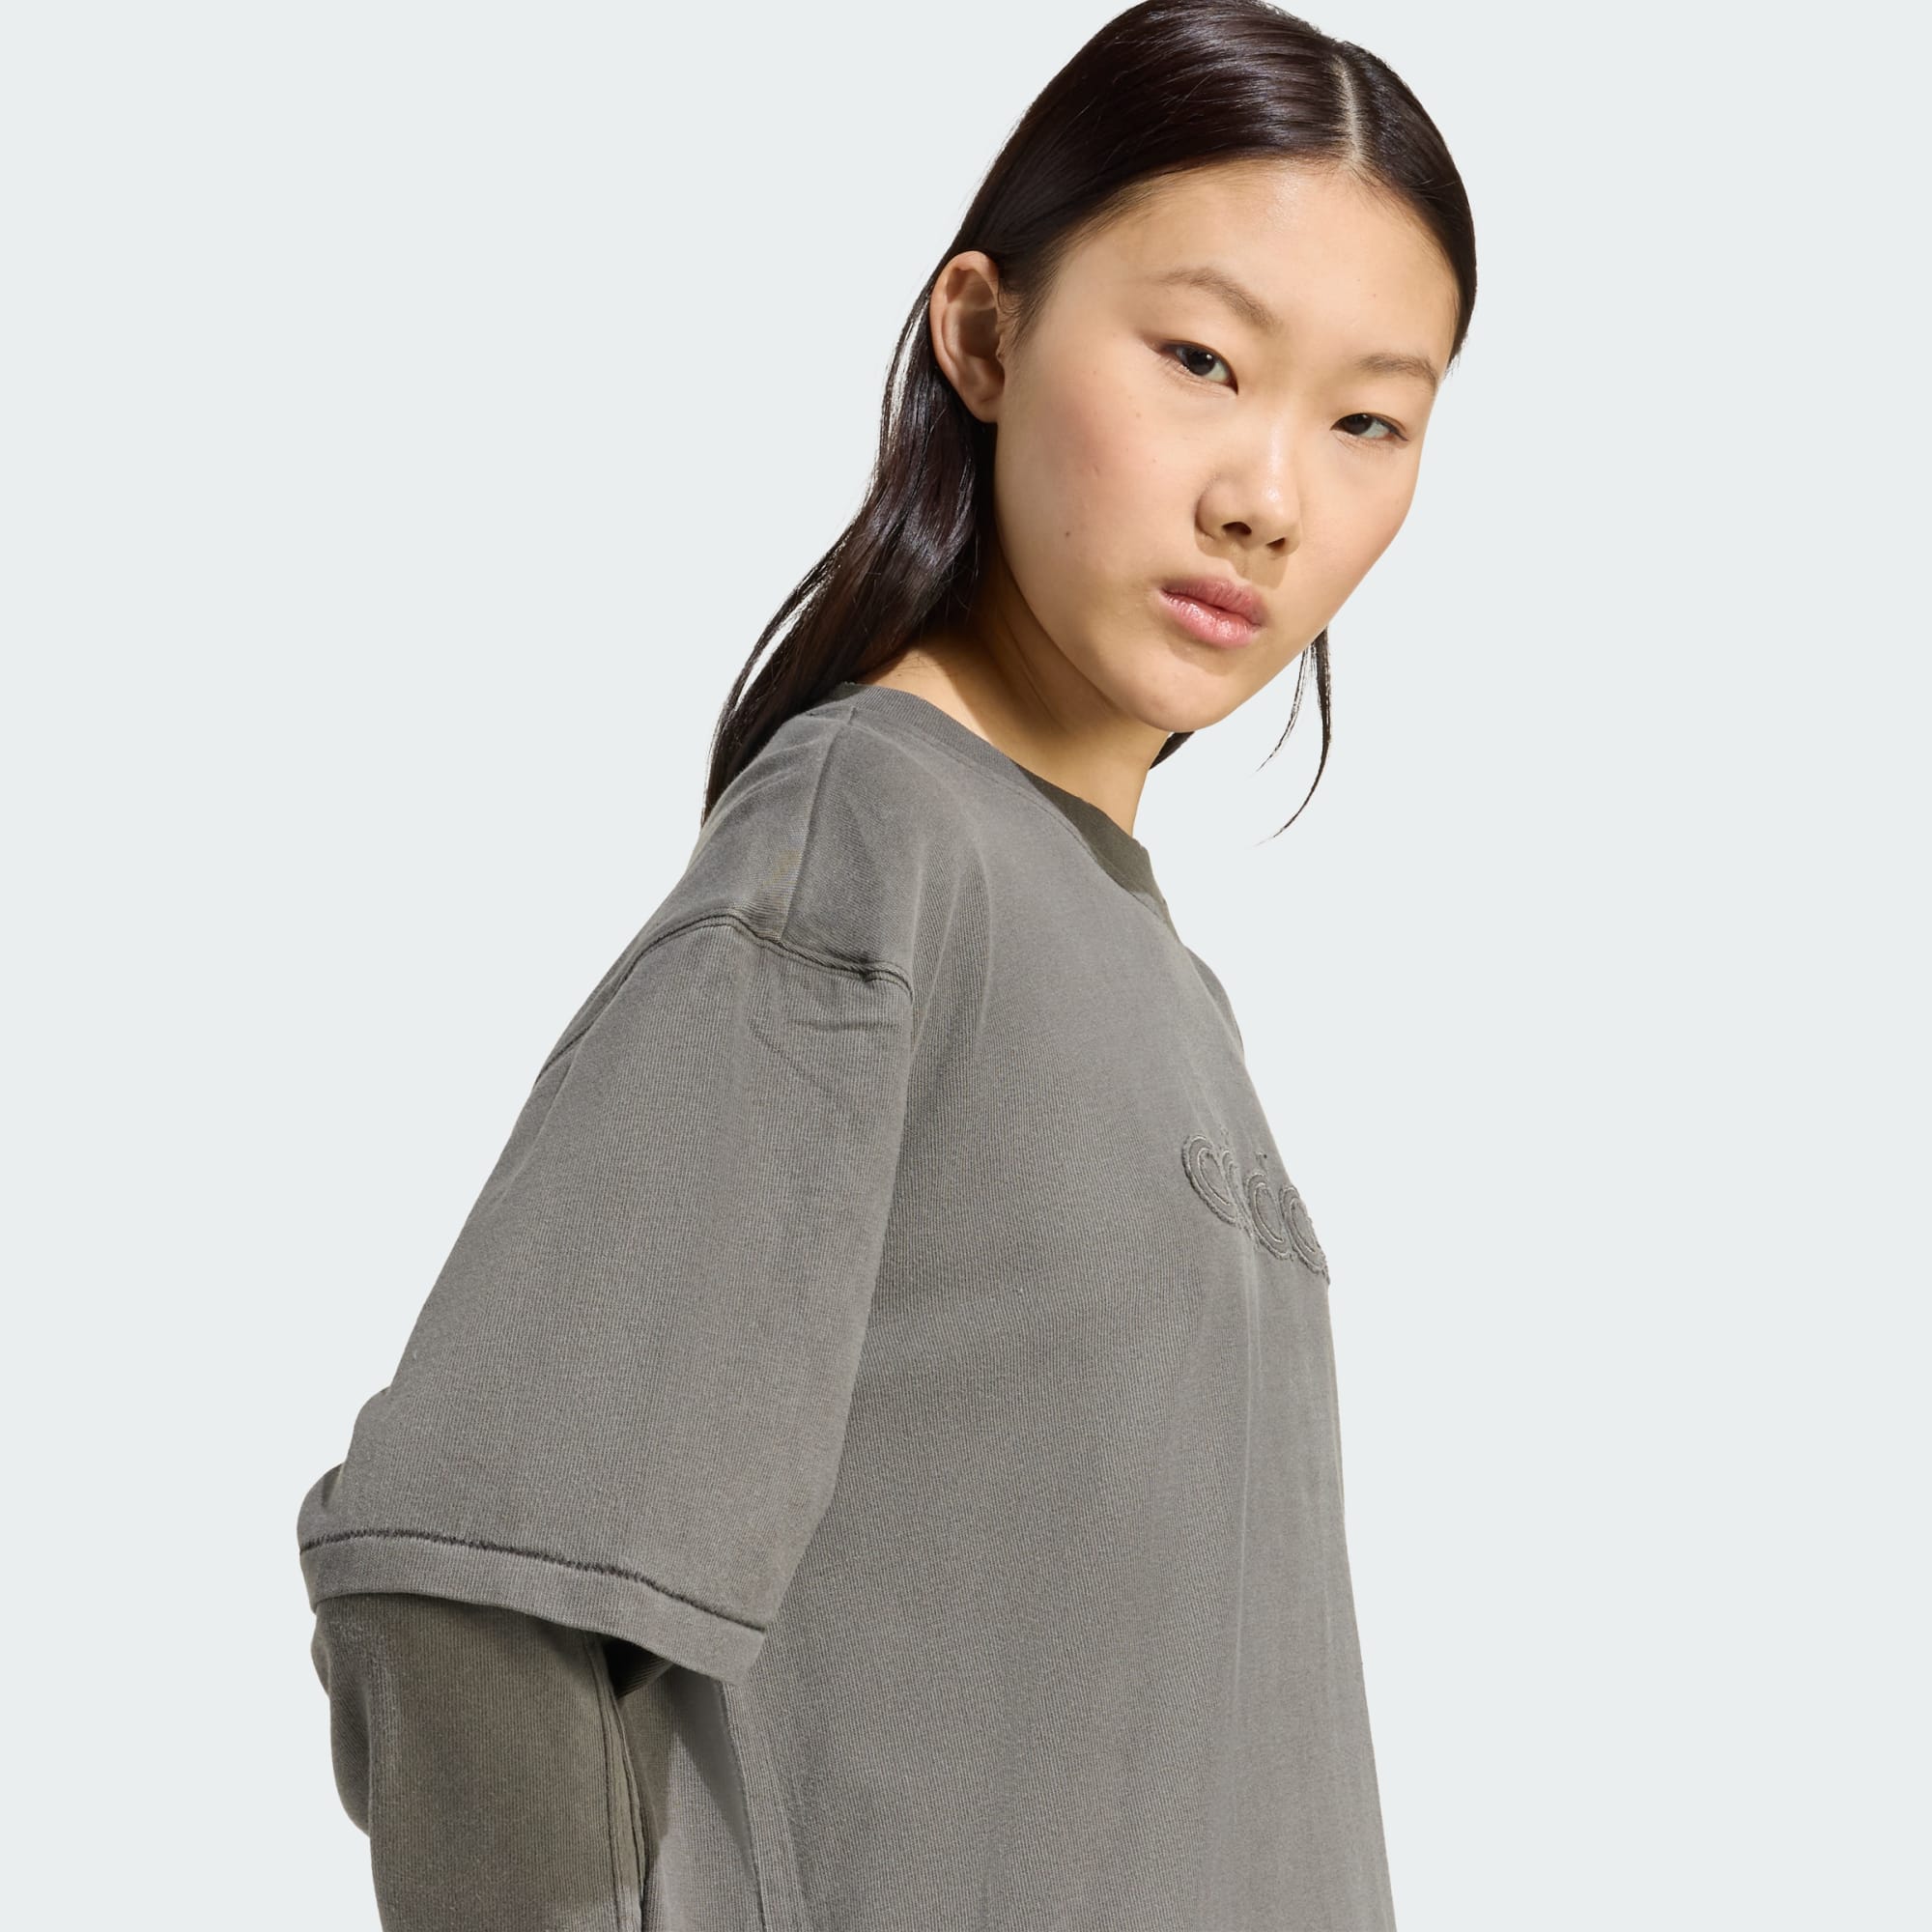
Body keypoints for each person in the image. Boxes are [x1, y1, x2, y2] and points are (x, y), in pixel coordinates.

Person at [295, 1, 1476, 1924]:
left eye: (1367, 420)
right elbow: (473, 1595)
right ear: (983, 335)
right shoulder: (877, 843)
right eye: (1198, 358)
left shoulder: (1150, 971)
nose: (1266, 495)